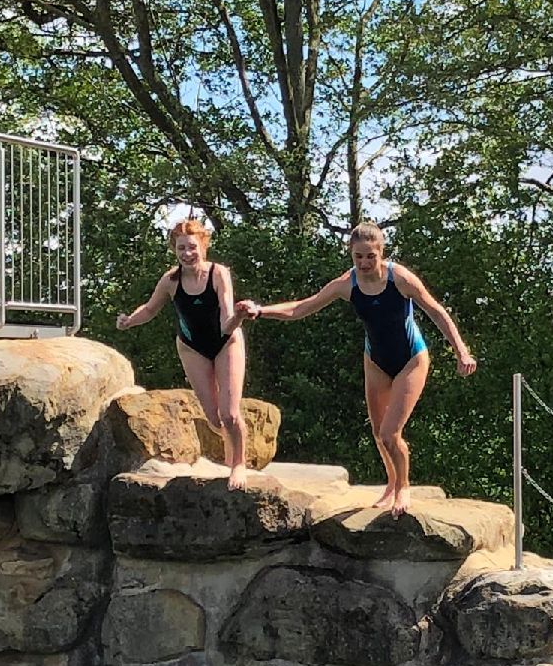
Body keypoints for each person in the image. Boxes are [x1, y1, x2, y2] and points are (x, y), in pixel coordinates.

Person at [237, 222, 476, 517]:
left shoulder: (399, 278)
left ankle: (403, 487)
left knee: (390, 433)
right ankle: (391, 483)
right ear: (351, 253)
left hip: (411, 358)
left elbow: (437, 312)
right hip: (375, 360)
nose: (364, 263)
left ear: (381, 252)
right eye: (358, 256)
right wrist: (261, 311)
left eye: (370, 256)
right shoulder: (346, 284)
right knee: (378, 432)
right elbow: (302, 307)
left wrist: (461, 351)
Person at [117, 219, 250, 490]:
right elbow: (150, 309)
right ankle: (232, 443)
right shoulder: (170, 280)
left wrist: (239, 316)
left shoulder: (218, 274)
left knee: (229, 414)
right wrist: (129, 320)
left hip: (226, 341)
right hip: (192, 347)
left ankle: (238, 463)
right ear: (174, 250)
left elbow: (226, 322)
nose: (187, 254)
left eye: (192, 247)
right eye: (181, 249)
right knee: (215, 420)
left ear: (203, 246)